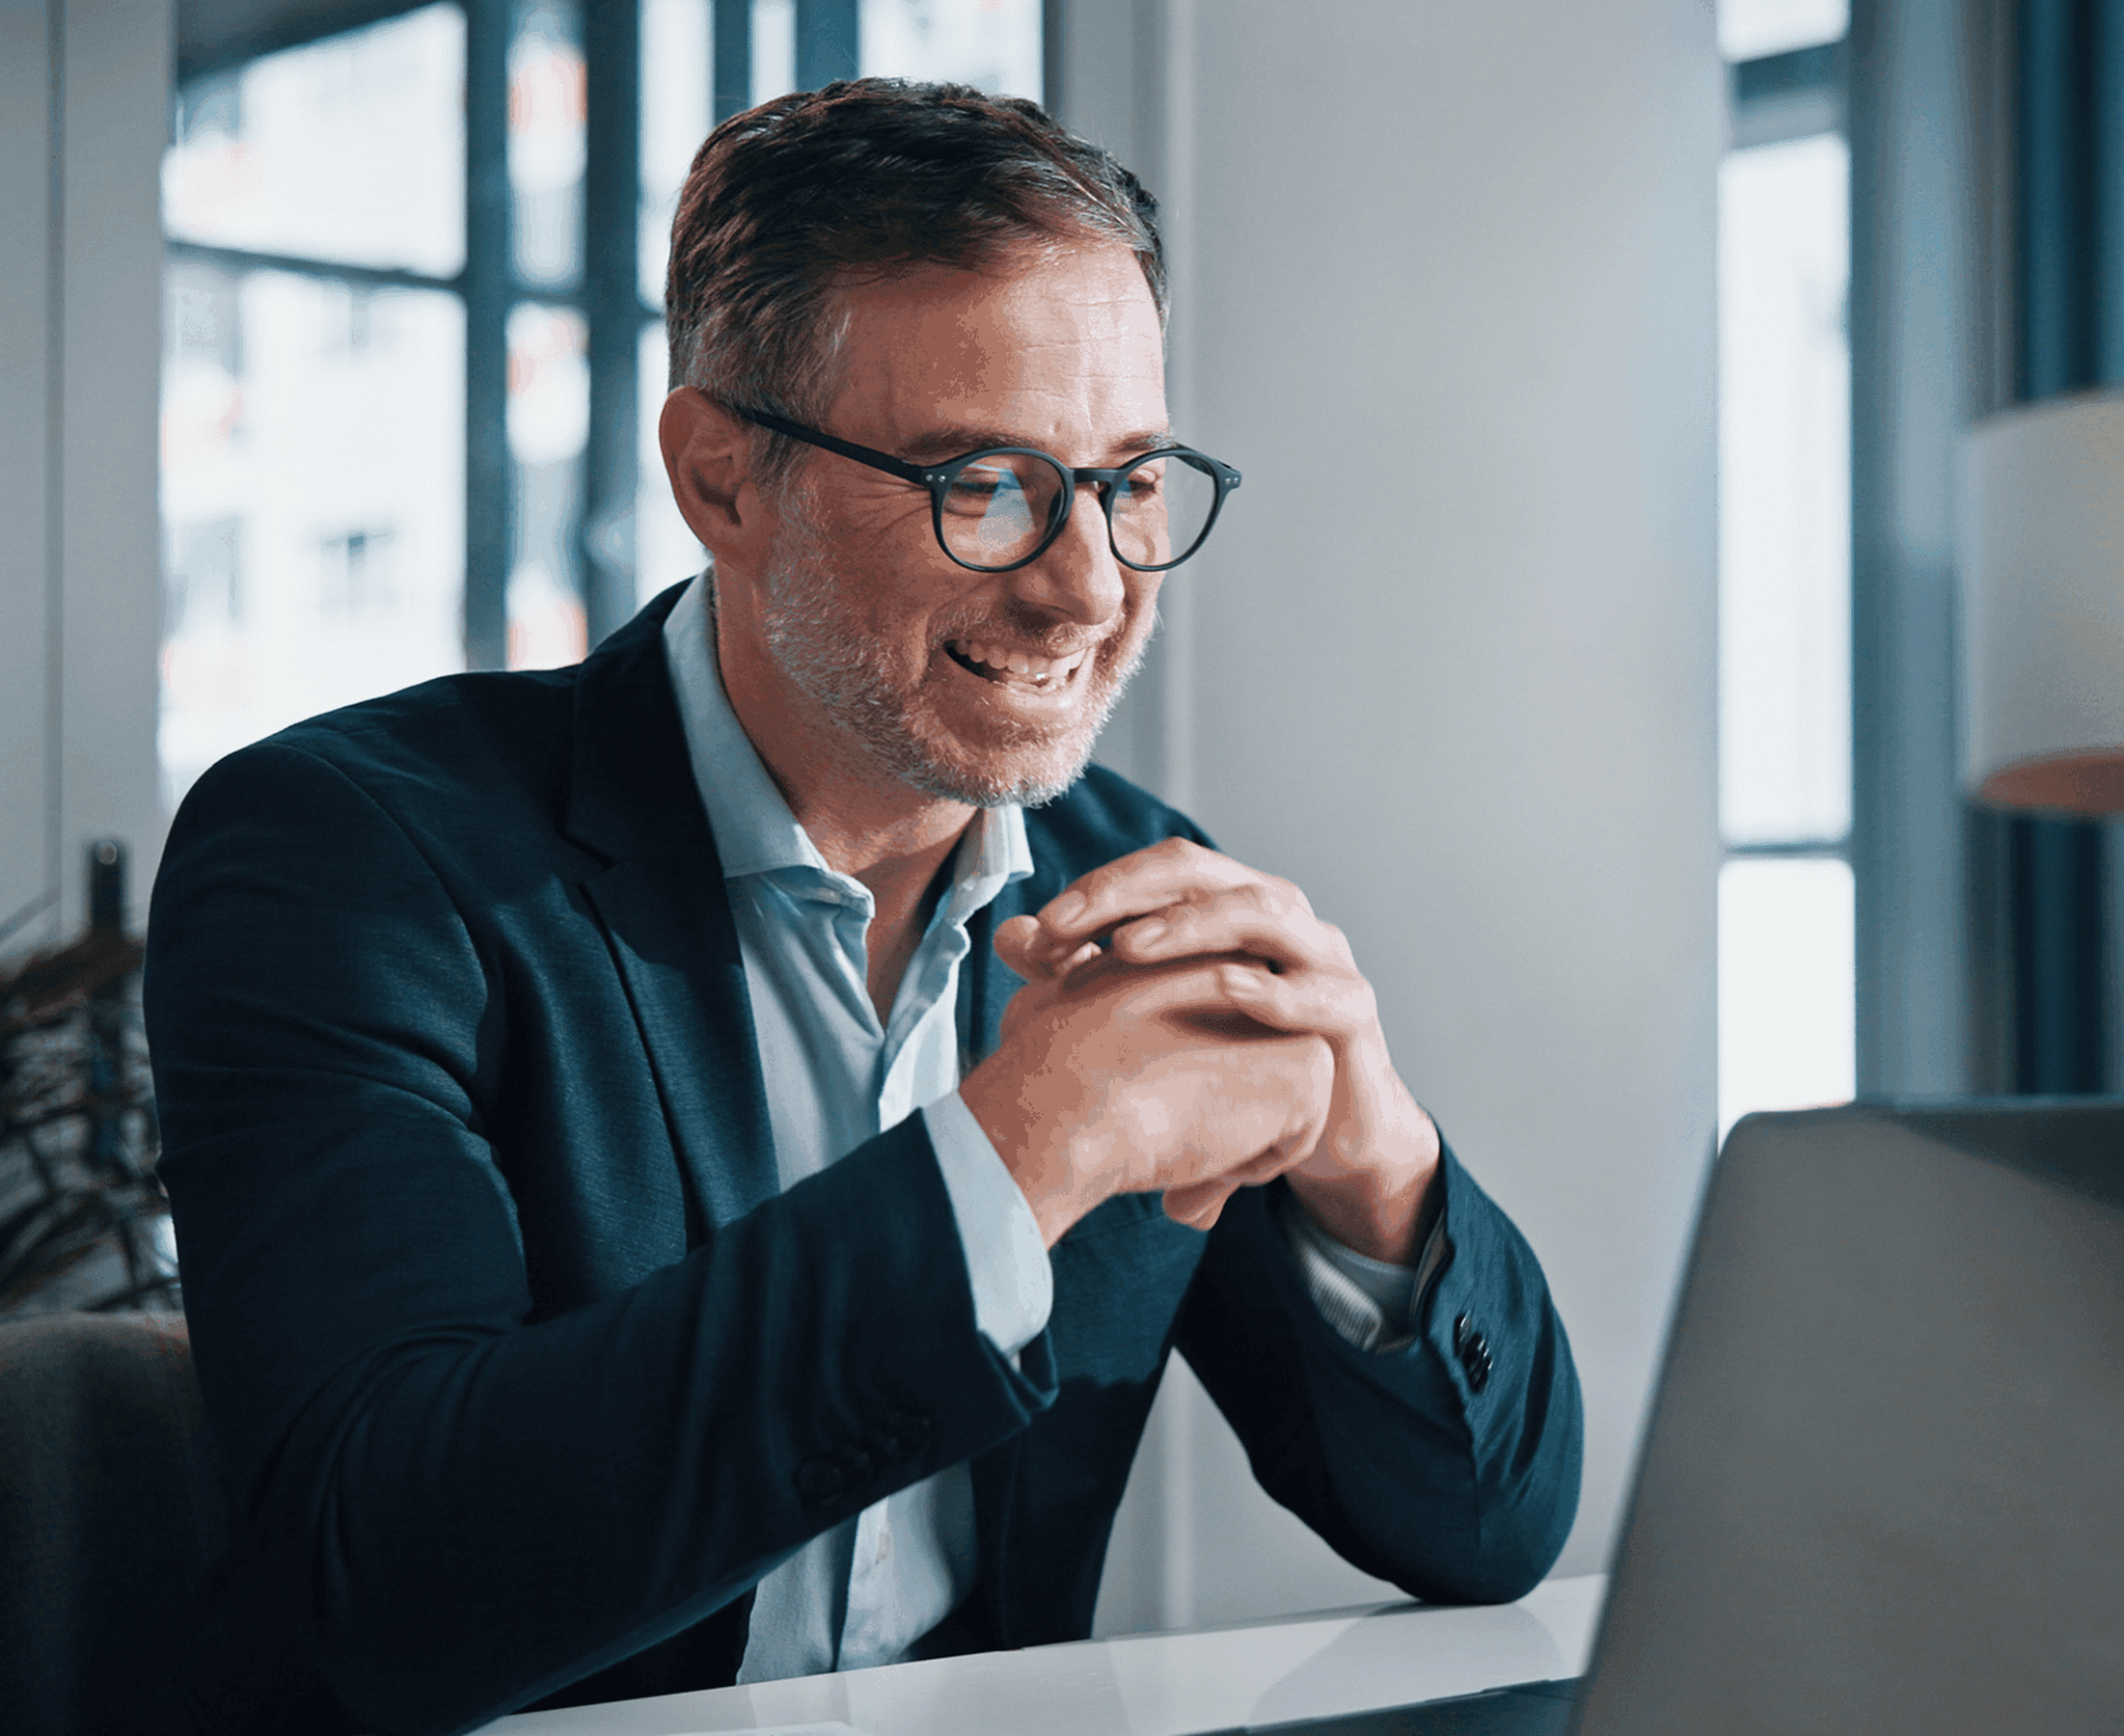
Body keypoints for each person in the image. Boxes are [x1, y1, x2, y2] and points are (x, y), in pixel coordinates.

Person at [146, 80, 1582, 1736]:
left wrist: (1377, 1172)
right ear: (722, 482)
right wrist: (1019, 1154)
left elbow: (1485, 1534)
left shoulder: (1129, 879)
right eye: (984, 484)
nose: (1089, 585)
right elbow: (376, 1579)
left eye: (1127, 481)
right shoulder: (354, 858)